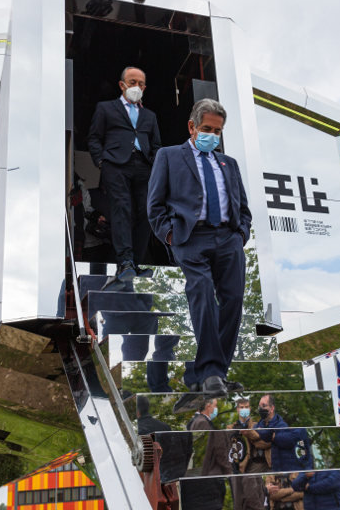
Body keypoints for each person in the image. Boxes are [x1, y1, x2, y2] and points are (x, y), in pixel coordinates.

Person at [147, 98, 252, 413]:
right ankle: (209, 372)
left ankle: (210, 373)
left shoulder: (228, 164)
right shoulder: (168, 156)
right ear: (192, 127)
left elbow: (242, 206)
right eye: (207, 129)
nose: (213, 136)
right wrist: (170, 235)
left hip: (228, 239)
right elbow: (154, 205)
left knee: (233, 300)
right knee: (203, 291)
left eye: (218, 131)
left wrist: (241, 234)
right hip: (191, 238)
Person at [88, 66, 162, 289]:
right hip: (116, 165)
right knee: (122, 208)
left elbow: (157, 144)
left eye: (140, 84)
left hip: (144, 166)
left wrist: (155, 163)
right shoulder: (105, 108)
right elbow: (94, 138)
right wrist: (102, 161)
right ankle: (125, 261)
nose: (136, 87)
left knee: (147, 212)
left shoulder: (150, 116)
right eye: (132, 82)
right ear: (122, 85)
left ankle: (136, 262)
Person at [179, 398, 229, 510]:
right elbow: (207, 450)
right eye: (215, 405)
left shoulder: (198, 421)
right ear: (208, 406)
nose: (216, 409)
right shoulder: (202, 423)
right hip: (205, 482)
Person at [248, 394, 313, 472]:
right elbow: (257, 433)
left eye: (264, 406)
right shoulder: (261, 422)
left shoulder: (281, 426)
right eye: (259, 406)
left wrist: (260, 435)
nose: (260, 409)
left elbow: (264, 441)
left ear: (272, 408)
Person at [136, 394, 191, 484]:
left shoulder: (137, 429)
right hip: (166, 476)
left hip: (148, 480)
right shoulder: (164, 426)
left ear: (137, 412)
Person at [228, 398, 267, 510]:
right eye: (241, 407)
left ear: (249, 408)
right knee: (239, 504)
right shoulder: (230, 428)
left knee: (255, 501)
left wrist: (249, 433)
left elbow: (264, 443)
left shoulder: (257, 426)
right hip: (236, 471)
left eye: (246, 407)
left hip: (253, 469)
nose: (244, 409)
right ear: (237, 409)